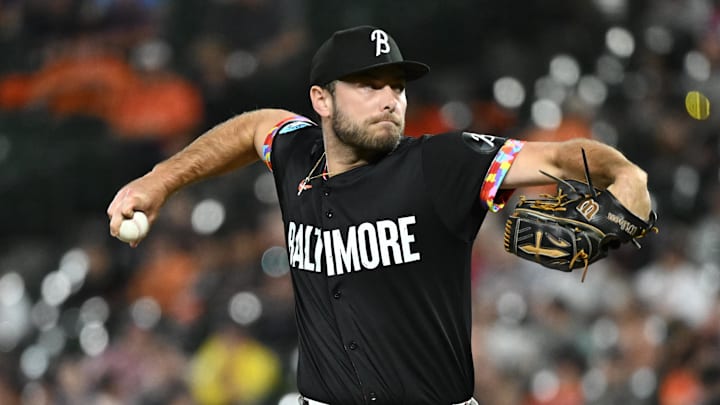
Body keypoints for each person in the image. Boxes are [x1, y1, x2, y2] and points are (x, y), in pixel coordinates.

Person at [107, 25, 652, 405]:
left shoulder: (443, 163)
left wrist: (628, 177)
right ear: (322, 100)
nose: (390, 98)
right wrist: (159, 181)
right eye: (369, 85)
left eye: (396, 87)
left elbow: (560, 157)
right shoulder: (297, 152)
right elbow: (252, 129)